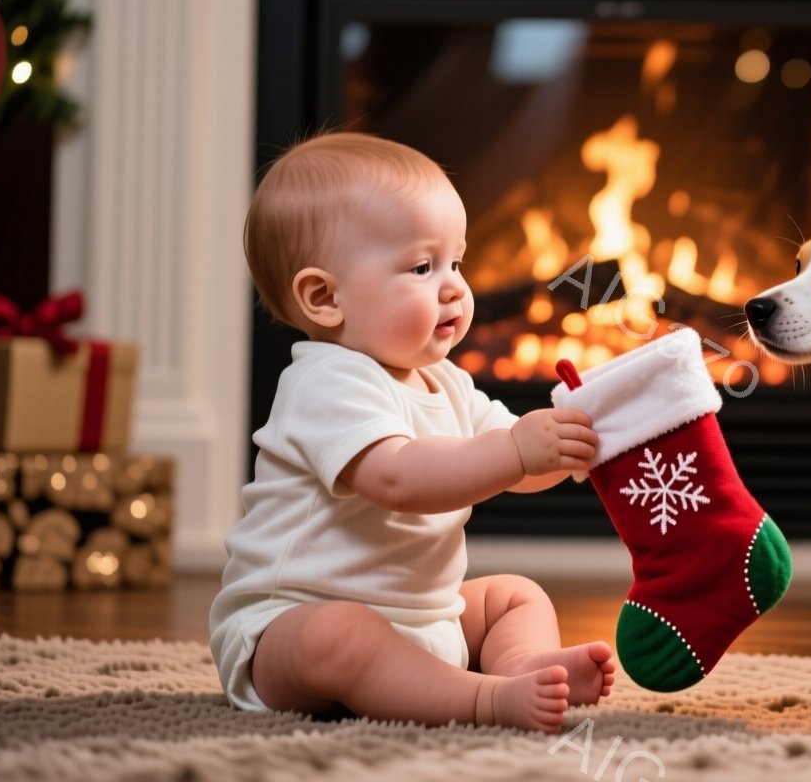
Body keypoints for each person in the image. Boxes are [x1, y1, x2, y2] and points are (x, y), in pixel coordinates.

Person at [211, 132, 612, 733]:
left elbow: (517, 462)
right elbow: (398, 476)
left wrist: (576, 444)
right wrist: (517, 450)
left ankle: (521, 666)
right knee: (341, 634)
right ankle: (483, 700)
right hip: (288, 630)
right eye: (423, 267)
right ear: (324, 297)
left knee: (515, 595)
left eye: (457, 262)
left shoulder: (442, 381)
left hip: (428, 620)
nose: (454, 286)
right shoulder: (326, 383)